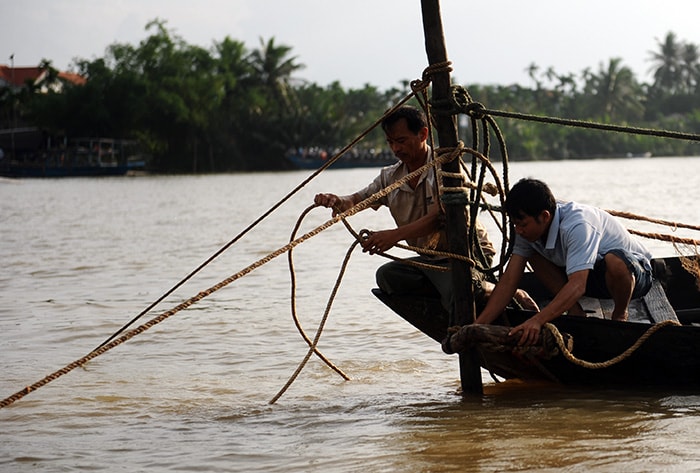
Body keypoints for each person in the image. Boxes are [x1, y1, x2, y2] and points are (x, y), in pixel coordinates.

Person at [314, 105, 499, 316]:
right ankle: (450, 295)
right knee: (387, 276)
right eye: (390, 142)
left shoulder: (445, 168)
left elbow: (439, 218)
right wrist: (336, 200)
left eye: (401, 141)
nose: (395, 149)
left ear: (423, 134)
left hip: (467, 254)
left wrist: (393, 236)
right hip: (430, 259)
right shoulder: (390, 176)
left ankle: (499, 292)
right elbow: (357, 200)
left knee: (460, 289)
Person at [475, 178, 654, 345]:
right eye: (515, 224)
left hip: (633, 277)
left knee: (615, 261)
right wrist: (477, 326)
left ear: (544, 216)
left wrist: (537, 321)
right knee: (531, 251)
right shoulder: (525, 230)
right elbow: (509, 281)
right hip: (587, 275)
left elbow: (577, 285)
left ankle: (620, 314)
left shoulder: (578, 225)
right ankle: (576, 311)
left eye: (522, 224)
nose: (518, 230)